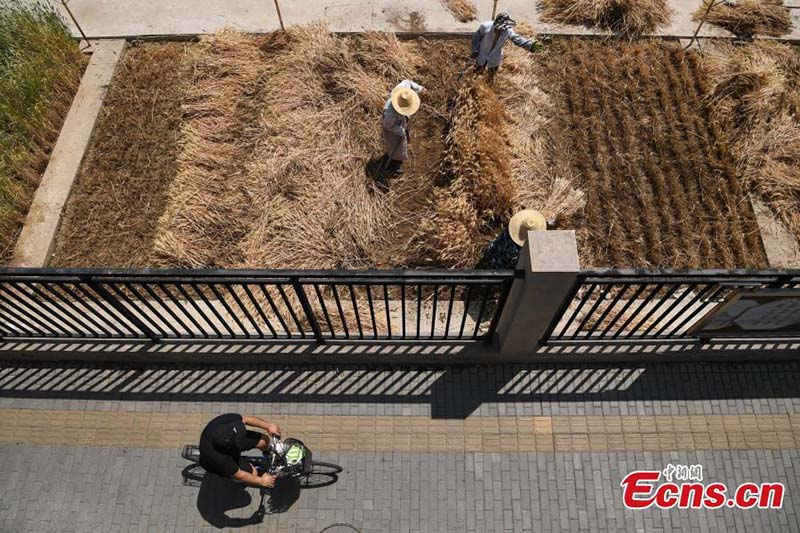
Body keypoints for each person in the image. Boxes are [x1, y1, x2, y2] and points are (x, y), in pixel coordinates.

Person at [199, 413, 282, 488]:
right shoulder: (219, 460)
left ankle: (268, 452)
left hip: (232, 443)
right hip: (224, 456)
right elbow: (240, 475)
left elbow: (246, 419)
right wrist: (262, 481)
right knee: (253, 473)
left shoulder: (222, 422)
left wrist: (268, 426)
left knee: (264, 440)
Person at [471, 13, 544, 83]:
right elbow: (476, 38)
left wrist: (531, 45)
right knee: (476, 74)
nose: (500, 31)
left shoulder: (508, 30)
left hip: (494, 57)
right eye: (499, 29)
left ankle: (489, 88)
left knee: (491, 76)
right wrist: (475, 49)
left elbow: (517, 39)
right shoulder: (485, 26)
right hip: (482, 54)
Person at [382, 79, 425, 175]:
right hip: (392, 129)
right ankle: (394, 164)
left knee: (404, 136)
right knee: (395, 145)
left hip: (400, 121)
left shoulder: (402, 91)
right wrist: (401, 131)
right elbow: (388, 126)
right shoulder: (390, 114)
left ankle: (398, 155)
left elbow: (408, 82)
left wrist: (420, 89)